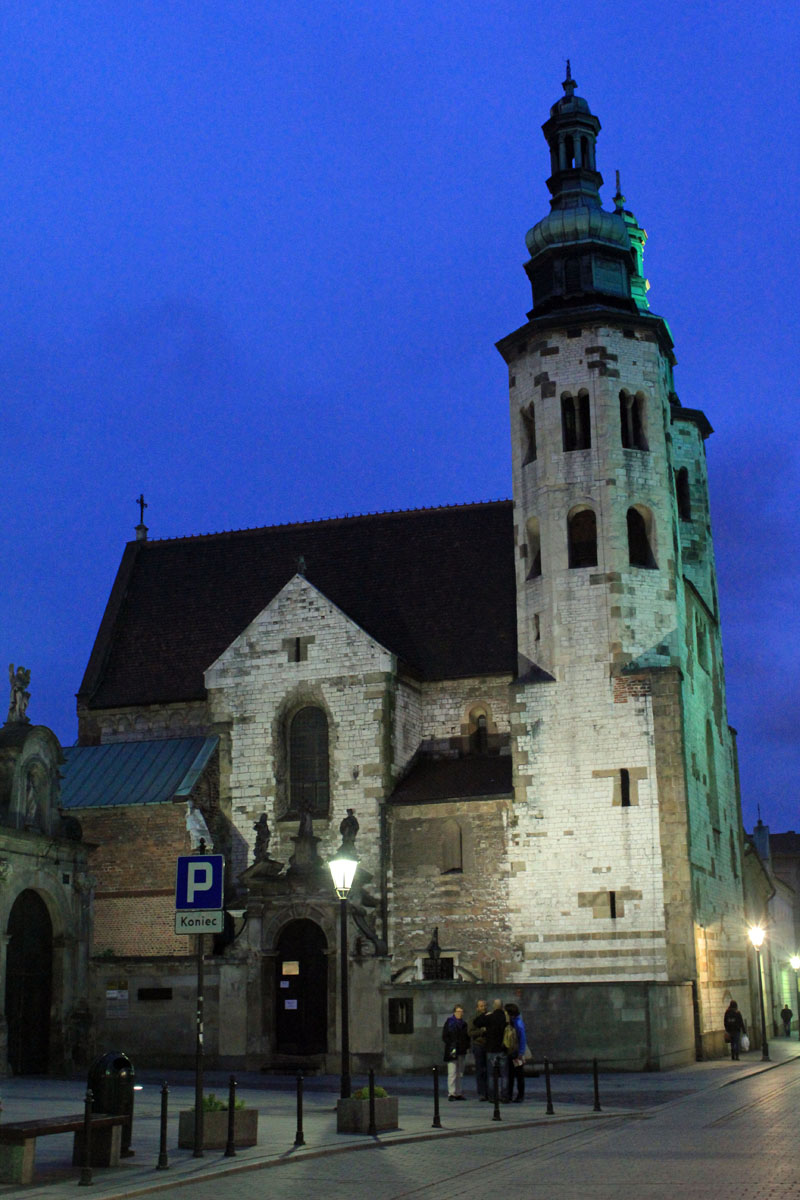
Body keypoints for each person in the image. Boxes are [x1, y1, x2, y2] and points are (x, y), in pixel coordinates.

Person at [475, 997, 509, 1101]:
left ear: (494, 1006)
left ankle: (492, 1096)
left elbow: (477, 1022)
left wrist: (485, 1015)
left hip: (491, 1048)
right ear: (502, 1006)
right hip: (503, 1048)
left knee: (490, 1074)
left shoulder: (490, 1017)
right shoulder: (505, 1017)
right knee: (504, 1074)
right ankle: (504, 1096)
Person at [441, 1005, 470, 1100]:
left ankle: (458, 1092)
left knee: (460, 1072)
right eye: (458, 1011)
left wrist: (466, 1046)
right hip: (452, 1049)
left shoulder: (464, 1024)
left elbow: (467, 1037)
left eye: (461, 1011)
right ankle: (451, 1093)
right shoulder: (449, 1022)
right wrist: (451, 1044)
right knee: (452, 1072)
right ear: (454, 1012)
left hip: (461, 1049)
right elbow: (444, 1036)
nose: (460, 1013)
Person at [504, 1002, 527, 1102]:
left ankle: (520, 1095)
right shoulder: (512, 1022)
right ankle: (510, 1094)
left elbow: (522, 1038)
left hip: (517, 1052)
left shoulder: (518, 1023)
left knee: (518, 1075)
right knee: (511, 1075)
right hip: (511, 1052)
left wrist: (521, 1052)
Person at [469, 999, 489, 1100]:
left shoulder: (489, 1016)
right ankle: (482, 1092)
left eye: (484, 1005)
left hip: (489, 1045)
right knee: (480, 1069)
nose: (483, 1008)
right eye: (481, 1006)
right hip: (478, 1045)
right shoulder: (474, 1018)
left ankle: (489, 1091)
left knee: (489, 1069)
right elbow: (470, 1032)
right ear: (477, 1007)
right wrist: (481, 1032)